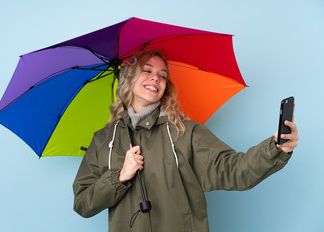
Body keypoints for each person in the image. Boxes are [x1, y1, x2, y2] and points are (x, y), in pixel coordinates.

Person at [73, 49, 299, 232]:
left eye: (163, 75)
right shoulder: (104, 141)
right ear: (129, 78)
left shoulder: (185, 132)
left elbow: (235, 171)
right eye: (147, 70)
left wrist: (275, 148)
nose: (156, 78)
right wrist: (119, 178)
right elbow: (83, 203)